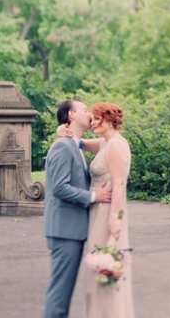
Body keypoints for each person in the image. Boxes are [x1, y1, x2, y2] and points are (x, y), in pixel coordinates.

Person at [58, 102, 135, 318]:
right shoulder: (105, 143)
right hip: (97, 212)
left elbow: (119, 184)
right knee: (97, 269)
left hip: (108, 213)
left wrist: (114, 219)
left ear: (110, 120)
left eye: (97, 118)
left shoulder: (117, 145)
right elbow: (78, 143)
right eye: (91, 118)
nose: (93, 122)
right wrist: (61, 129)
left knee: (105, 266)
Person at [44, 99, 112, 318]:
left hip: (72, 231)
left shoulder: (74, 144)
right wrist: (94, 196)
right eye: (84, 110)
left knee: (63, 293)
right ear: (71, 115)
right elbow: (59, 188)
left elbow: (107, 141)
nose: (89, 113)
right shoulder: (62, 147)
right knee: (60, 295)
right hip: (64, 231)